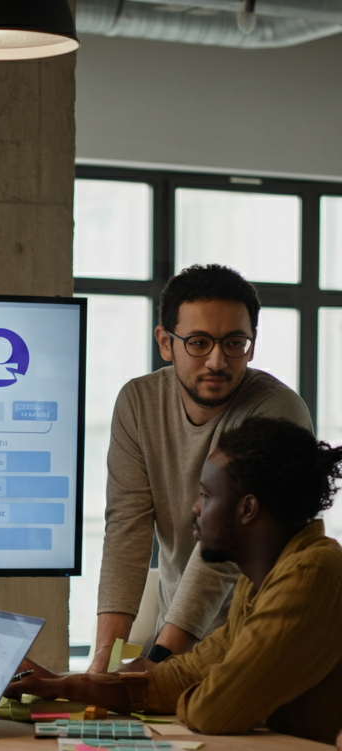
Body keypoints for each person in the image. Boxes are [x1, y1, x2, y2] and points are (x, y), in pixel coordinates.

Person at [9, 418, 342, 744]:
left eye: (206, 495)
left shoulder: (311, 574)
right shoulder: (258, 579)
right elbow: (182, 675)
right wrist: (63, 686)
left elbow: (212, 710)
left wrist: (184, 694)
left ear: (248, 509)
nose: (196, 508)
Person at [90, 264, 311, 673]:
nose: (217, 360)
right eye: (198, 342)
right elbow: (127, 532)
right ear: (165, 342)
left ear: (252, 343)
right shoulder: (138, 404)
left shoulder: (276, 412)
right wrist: (101, 667)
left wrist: (158, 661)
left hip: (259, 644)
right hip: (176, 645)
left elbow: (226, 550)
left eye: (234, 343)